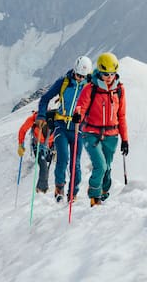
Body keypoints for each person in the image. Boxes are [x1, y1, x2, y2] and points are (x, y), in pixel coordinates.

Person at [72, 52, 129, 207]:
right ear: (100, 71)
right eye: (105, 74)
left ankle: (104, 191)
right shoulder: (91, 88)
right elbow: (81, 107)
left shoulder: (119, 90)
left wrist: (125, 139)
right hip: (91, 134)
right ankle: (94, 196)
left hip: (112, 135)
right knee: (101, 166)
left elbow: (121, 116)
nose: (109, 77)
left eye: (112, 73)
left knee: (108, 168)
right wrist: (77, 116)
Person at [36, 56, 92, 202]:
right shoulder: (64, 82)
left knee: (76, 164)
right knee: (63, 160)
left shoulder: (89, 87)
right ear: (74, 70)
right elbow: (45, 98)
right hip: (61, 126)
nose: (80, 79)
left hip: (78, 130)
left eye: (83, 76)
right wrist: (41, 116)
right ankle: (59, 189)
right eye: (78, 75)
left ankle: (73, 193)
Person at [17, 110, 55, 193]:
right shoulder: (34, 119)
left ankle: (43, 187)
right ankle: (41, 189)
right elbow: (23, 130)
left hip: (50, 146)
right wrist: (21, 145)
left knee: (47, 165)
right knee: (43, 166)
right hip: (38, 146)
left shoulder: (55, 119)